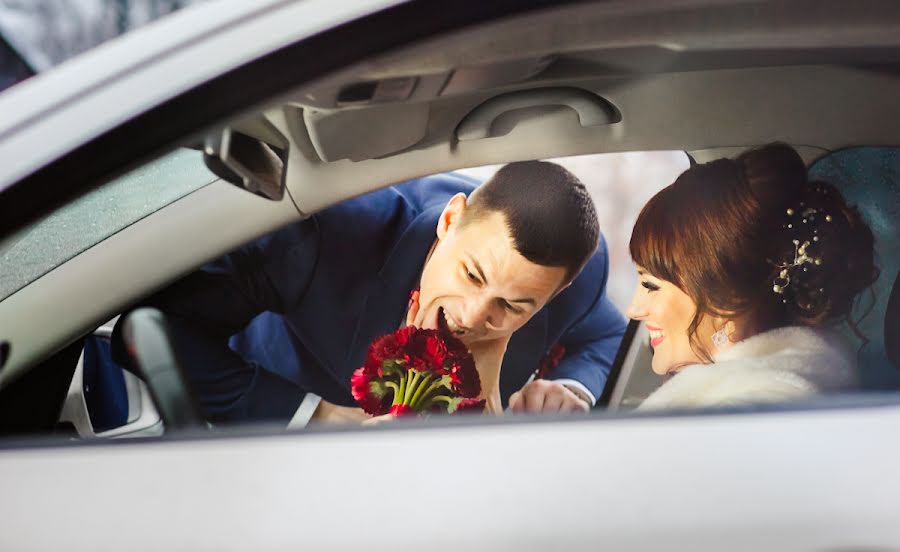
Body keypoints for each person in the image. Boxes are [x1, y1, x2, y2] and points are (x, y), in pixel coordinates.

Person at [111, 161, 627, 424]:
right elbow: (154, 323)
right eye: (471, 275)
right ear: (450, 220)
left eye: (512, 306)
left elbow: (604, 337)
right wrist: (316, 416)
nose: (471, 315)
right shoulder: (328, 236)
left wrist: (573, 389)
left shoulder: (579, 279)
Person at [626, 143, 877, 410]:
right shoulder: (803, 381)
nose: (634, 309)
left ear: (724, 298)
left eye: (651, 285)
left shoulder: (744, 413)